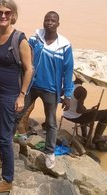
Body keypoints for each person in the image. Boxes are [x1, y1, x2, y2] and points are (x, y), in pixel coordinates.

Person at [0, 0, 33, 193]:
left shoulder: (20, 40)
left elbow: (29, 70)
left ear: (13, 16)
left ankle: (7, 180)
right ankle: (3, 159)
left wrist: (21, 96)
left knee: (4, 136)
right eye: (0, 12)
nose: (3, 15)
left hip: (9, 95)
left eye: (7, 12)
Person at [17, 11, 74, 170]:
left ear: (58, 24)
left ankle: (50, 152)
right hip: (31, 86)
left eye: (53, 20)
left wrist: (67, 94)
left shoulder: (64, 45)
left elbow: (68, 70)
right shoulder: (35, 39)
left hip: (51, 89)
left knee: (51, 122)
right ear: (43, 22)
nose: (49, 22)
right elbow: (24, 59)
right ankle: (7, 142)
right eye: (47, 20)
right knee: (16, 113)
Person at [62, 77, 107, 151]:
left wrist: (88, 110)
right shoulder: (82, 90)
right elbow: (79, 110)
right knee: (106, 114)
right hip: (76, 117)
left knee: (86, 110)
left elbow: (61, 95)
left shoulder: (69, 84)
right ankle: (97, 137)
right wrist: (91, 110)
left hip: (66, 114)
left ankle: (85, 135)